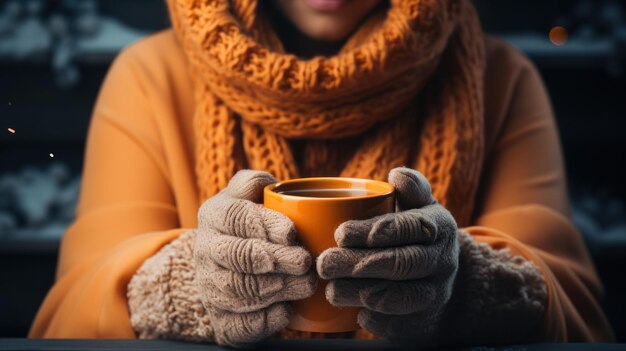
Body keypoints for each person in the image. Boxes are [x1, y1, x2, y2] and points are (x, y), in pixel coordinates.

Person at [30, 0, 614, 347]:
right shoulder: (150, 77)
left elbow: (576, 312)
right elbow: (68, 317)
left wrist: (464, 287)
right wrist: (179, 284)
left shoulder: (502, 79)